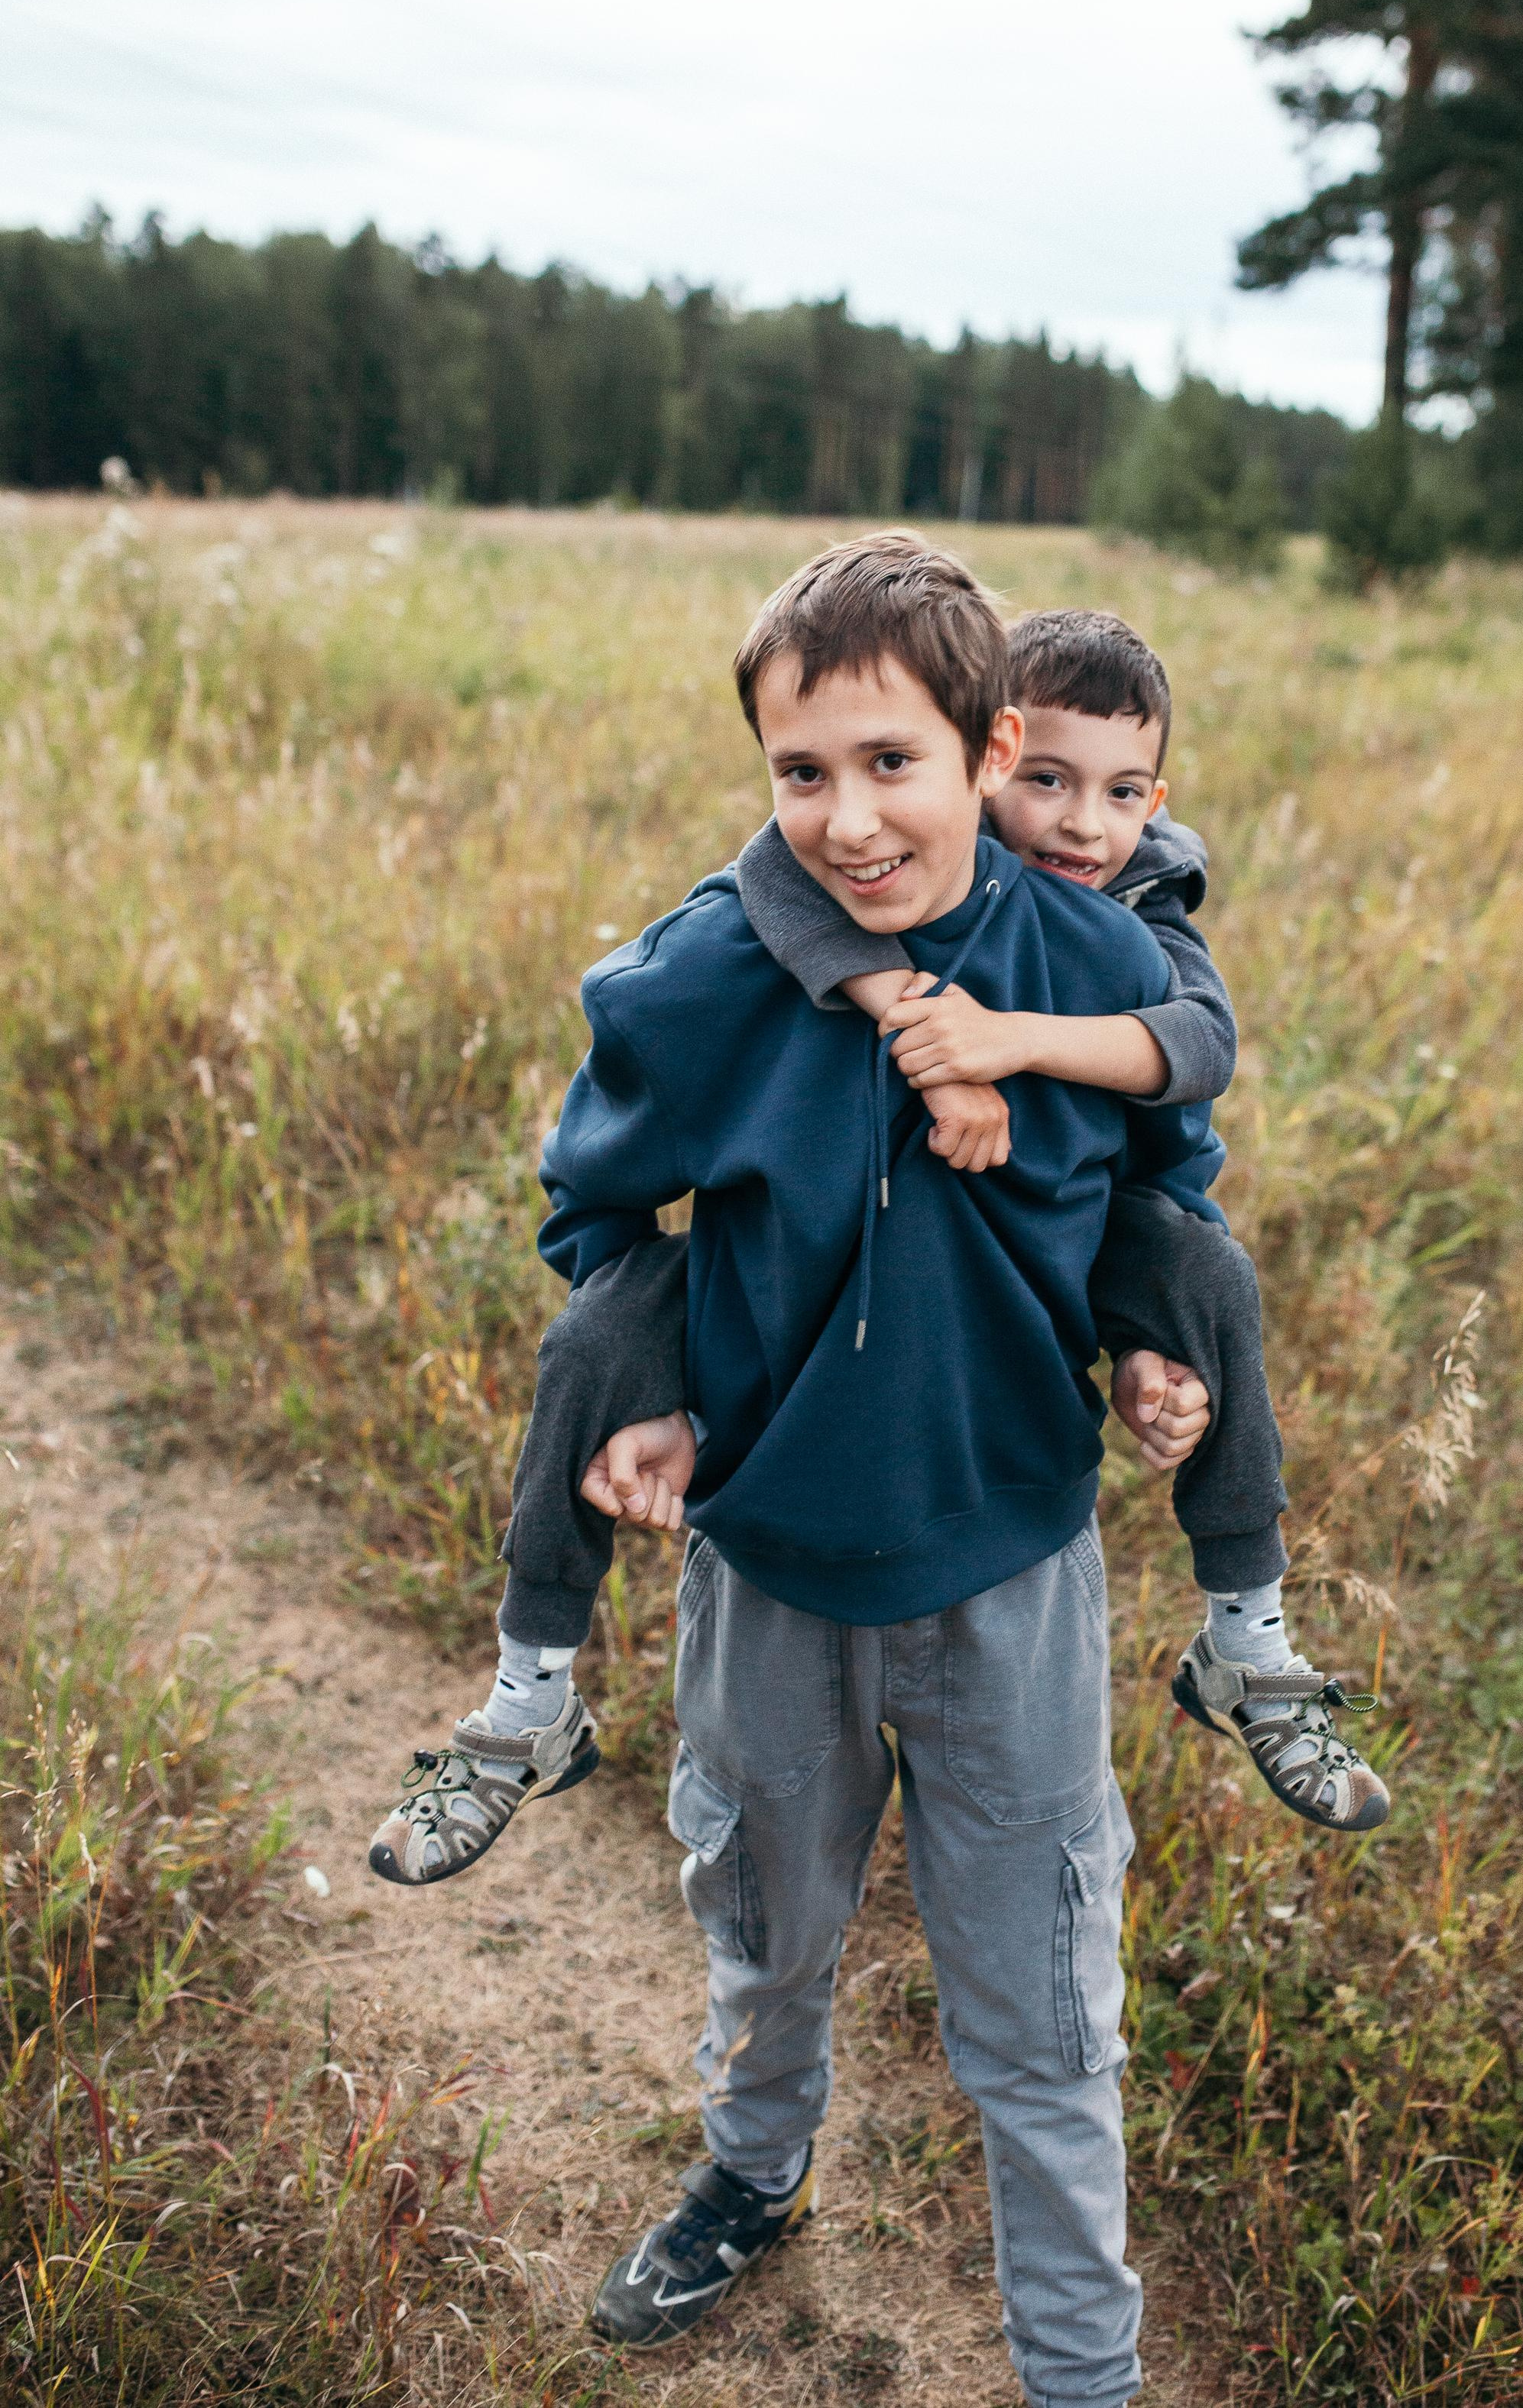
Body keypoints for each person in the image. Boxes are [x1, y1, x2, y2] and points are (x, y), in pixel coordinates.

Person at [377, 532, 1243, 2402]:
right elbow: (599, 1212)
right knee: (763, 1927)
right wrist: (648, 1397)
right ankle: (753, 2173)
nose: (850, 817)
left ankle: (1080, 2368)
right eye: (802, 769)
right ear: (763, 765)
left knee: (1041, 2013)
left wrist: (1160, 1353)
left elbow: (1159, 1209)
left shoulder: (1087, 961)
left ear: (987, 745)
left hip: (1011, 1569)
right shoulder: (701, 975)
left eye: (894, 763)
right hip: (764, 1565)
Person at [730, 605, 1389, 1836]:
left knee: (1208, 1277)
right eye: (1047, 782)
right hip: (927, 1312)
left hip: (1110, 1227)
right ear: (990, 754)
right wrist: (909, 1019)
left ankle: (1247, 1631)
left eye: (1122, 791)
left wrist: (1003, 1041)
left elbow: (1202, 1045)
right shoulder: (903, 855)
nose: (1081, 824)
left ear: (1155, 798)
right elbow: (767, 866)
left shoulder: (1134, 899)